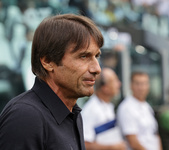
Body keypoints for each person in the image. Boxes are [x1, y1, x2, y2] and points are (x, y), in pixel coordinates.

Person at [0, 14, 104, 150]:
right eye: (83, 56)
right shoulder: (26, 116)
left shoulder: (72, 114)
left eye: (96, 56)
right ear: (48, 62)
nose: (97, 69)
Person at [81, 67, 126, 150]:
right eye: (114, 81)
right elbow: (85, 144)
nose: (119, 84)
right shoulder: (91, 110)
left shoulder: (108, 106)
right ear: (105, 87)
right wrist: (112, 147)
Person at [117, 71, 162, 150]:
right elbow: (133, 142)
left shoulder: (147, 106)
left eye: (144, 83)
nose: (142, 87)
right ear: (131, 85)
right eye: (138, 84)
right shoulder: (127, 108)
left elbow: (155, 134)